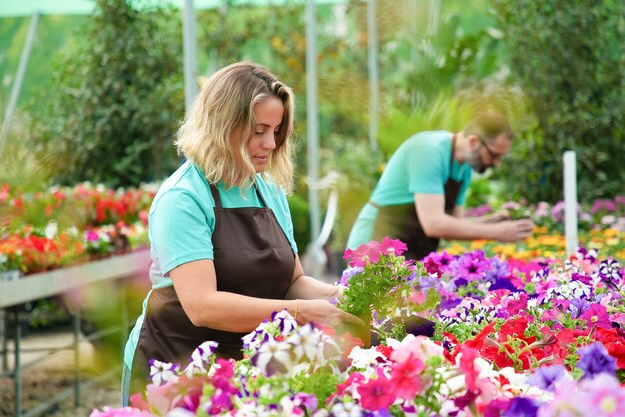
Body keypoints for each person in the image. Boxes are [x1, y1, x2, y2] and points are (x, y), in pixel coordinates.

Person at [121, 61, 360, 404]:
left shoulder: (268, 190)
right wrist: (302, 311)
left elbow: (292, 280)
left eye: (276, 131)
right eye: (259, 130)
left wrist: (338, 296)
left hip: (241, 367)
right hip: (173, 369)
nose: (271, 143)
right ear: (222, 125)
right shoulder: (184, 198)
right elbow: (202, 306)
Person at [346, 112, 534, 261]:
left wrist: (494, 220)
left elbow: (454, 225)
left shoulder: (464, 169)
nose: (496, 163)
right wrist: (497, 233)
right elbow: (434, 224)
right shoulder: (429, 151)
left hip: (408, 250)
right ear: (474, 141)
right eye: (494, 155)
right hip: (374, 243)